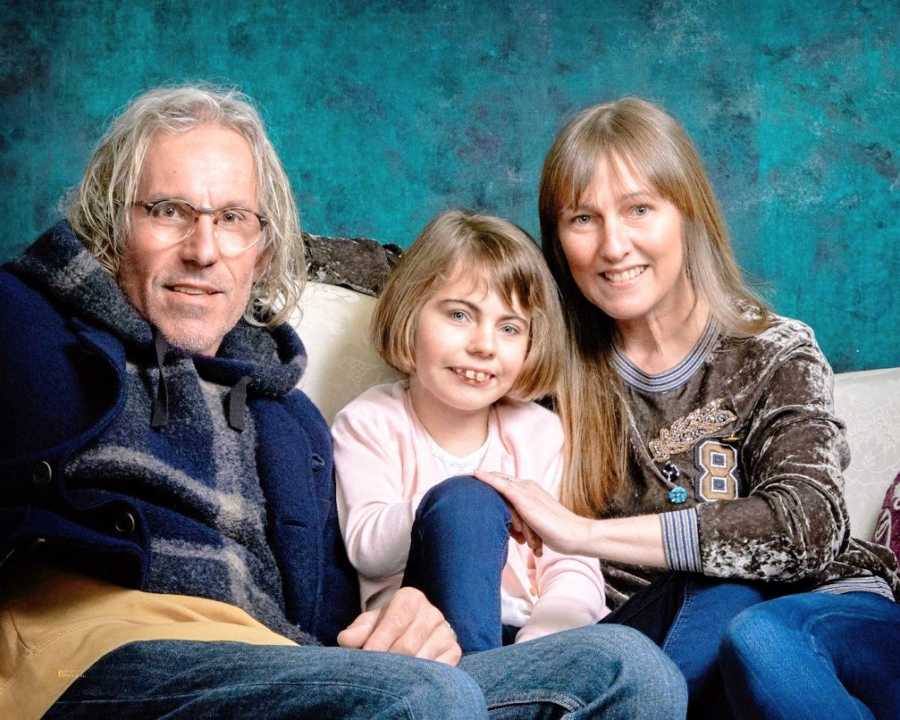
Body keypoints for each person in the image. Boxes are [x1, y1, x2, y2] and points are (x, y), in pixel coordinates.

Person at [0, 85, 688, 719]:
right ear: (110, 222)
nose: (204, 250)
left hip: (274, 665)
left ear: (262, 245)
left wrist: (405, 612)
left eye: (233, 218)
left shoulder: (289, 419)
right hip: (97, 654)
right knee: (429, 699)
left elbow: (338, 624)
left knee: (630, 670)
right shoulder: (32, 328)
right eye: (167, 211)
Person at [477, 96, 900, 720]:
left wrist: (586, 534)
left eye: (639, 209)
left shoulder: (772, 352)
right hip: (660, 633)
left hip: (819, 614)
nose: (613, 245)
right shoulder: (550, 366)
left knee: (750, 629)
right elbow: (442, 274)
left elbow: (807, 525)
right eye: (583, 219)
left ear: (688, 214)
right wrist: (279, 245)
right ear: (557, 241)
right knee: (686, 626)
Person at [333, 209, 607, 652]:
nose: (483, 345)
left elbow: (572, 568)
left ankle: (506, 682)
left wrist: (538, 649)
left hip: (532, 641)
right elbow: (366, 545)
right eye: (460, 315)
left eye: (509, 327)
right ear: (410, 314)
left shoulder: (539, 432)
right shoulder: (370, 421)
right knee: (467, 504)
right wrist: (466, 495)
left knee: (707, 599)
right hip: (429, 640)